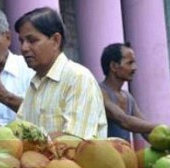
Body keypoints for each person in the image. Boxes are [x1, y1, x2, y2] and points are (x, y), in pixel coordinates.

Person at [14, 7, 107, 139]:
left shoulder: (78, 78)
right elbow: (20, 134)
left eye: (32, 40)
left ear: (55, 41)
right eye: (21, 41)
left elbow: (75, 140)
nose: (24, 48)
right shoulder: (34, 84)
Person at [99, 42, 163, 142]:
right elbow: (124, 121)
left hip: (126, 156)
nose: (135, 68)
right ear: (114, 66)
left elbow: (145, 130)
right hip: (105, 156)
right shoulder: (100, 92)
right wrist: (165, 128)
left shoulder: (128, 97)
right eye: (130, 63)